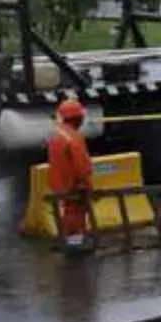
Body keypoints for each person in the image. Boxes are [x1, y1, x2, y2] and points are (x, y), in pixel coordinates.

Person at [47, 97, 94, 251]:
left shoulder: (57, 134)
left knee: (67, 211)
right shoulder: (74, 137)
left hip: (60, 183)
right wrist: (87, 185)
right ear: (78, 118)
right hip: (73, 184)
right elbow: (82, 166)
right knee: (75, 213)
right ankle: (75, 245)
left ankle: (69, 240)